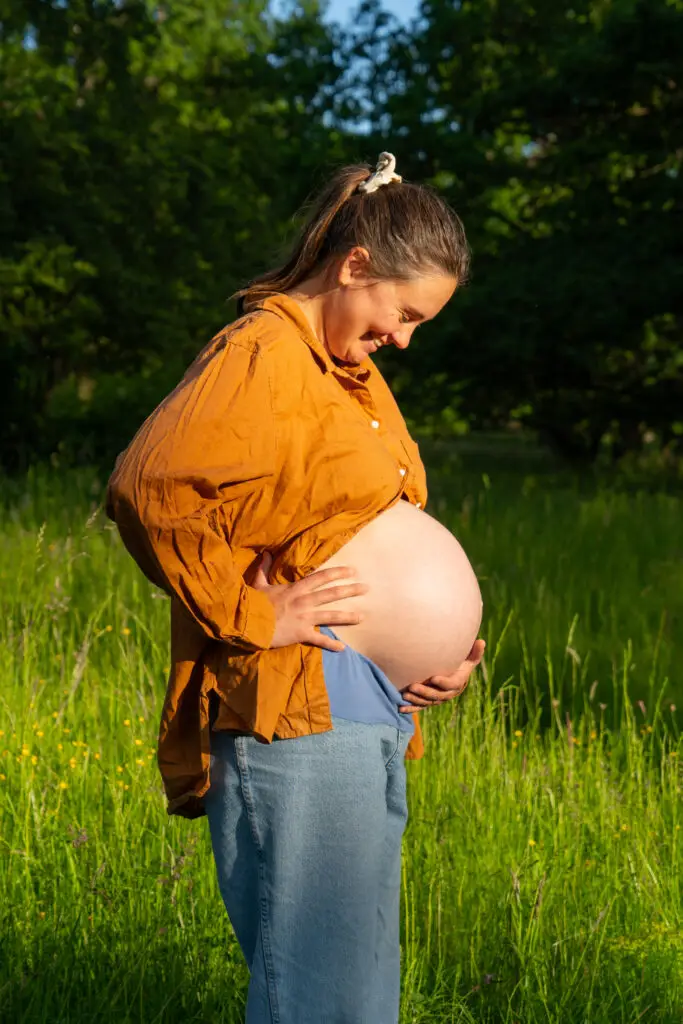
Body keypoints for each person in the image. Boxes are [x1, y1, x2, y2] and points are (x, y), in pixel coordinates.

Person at [105, 152, 486, 1024]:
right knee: (321, 996)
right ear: (355, 267)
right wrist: (250, 615)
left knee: (354, 988)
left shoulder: (346, 376)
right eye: (404, 313)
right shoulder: (266, 350)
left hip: (361, 700)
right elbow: (148, 487)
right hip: (299, 699)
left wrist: (428, 660)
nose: (406, 338)